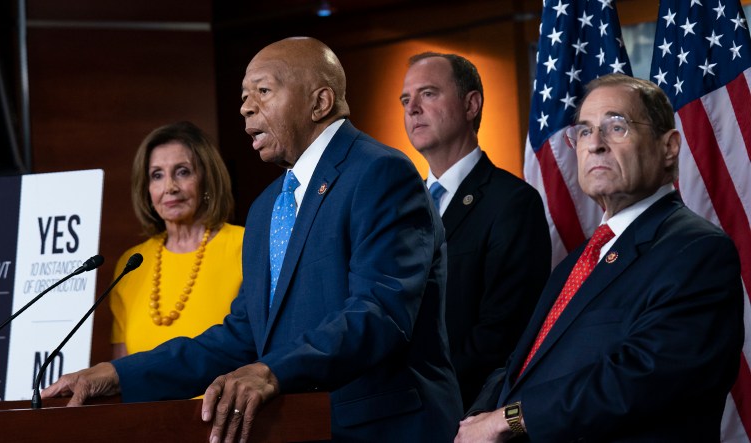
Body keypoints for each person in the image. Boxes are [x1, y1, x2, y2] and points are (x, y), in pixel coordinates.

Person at [43, 37, 463, 442]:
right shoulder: (267, 207)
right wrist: (120, 375)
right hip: (298, 429)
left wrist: (271, 371)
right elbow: (244, 336)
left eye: (263, 91)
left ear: (320, 102)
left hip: (379, 428)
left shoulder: (379, 174)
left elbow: (380, 311)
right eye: (245, 95)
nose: (245, 107)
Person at [455, 74, 744, 442]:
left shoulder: (697, 251)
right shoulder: (577, 262)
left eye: (616, 127)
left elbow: (642, 375)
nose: (595, 145)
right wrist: (478, 416)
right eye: (585, 132)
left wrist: (507, 419)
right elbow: (521, 364)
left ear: (669, 147)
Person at [400, 52, 552, 409]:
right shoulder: (399, 208)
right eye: (406, 100)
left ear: (471, 104)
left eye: (428, 93)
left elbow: (502, 333)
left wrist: (421, 390)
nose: (412, 109)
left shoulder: (513, 203)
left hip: (466, 411)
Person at [109, 121, 244, 358]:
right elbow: (122, 368)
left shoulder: (245, 246)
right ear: (147, 189)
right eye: (157, 175)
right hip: (145, 397)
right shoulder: (131, 263)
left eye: (183, 172)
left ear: (206, 179)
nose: (170, 187)